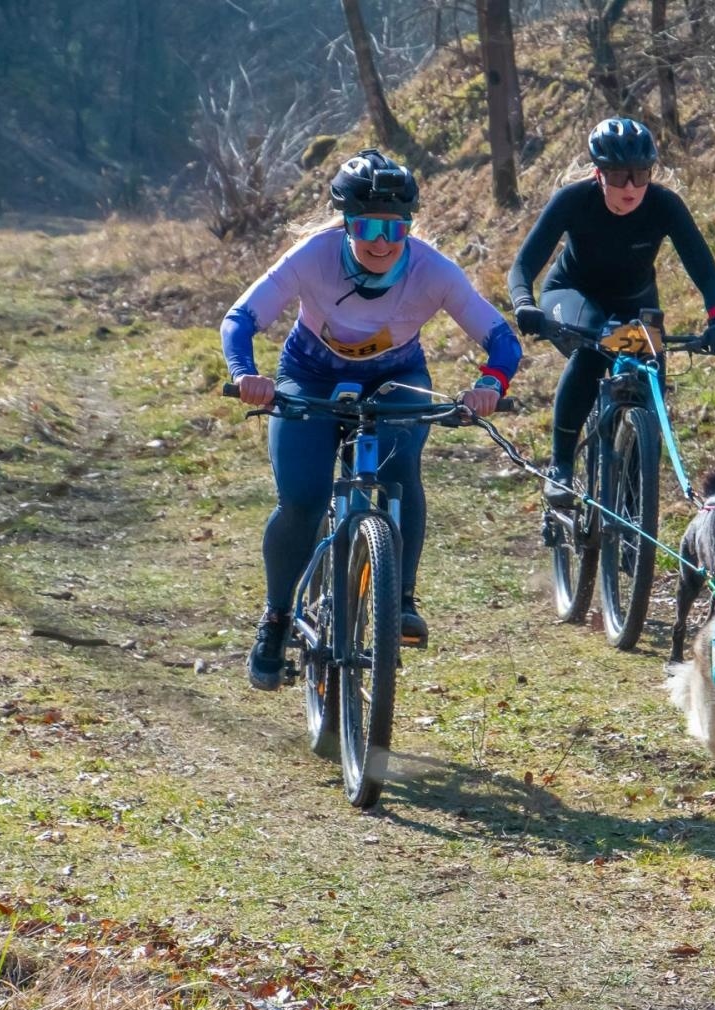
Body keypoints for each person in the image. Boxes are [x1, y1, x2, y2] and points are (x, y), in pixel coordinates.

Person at [222, 148, 522, 691]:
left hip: (396, 379)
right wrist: (245, 374)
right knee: (303, 500)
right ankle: (276, 618)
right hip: (309, 376)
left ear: (409, 226)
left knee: (399, 472)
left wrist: (489, 385)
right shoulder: (312, 257)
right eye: (367, 227)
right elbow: (240, 319)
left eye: (395, 228)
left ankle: (400, 598)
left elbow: (501, 340)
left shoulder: (433, 271)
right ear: (346, 224)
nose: (382, 242)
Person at [507, 117, 715, 506]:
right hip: (573, 294)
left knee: (649, 384)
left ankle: (634, 509)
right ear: (599, 174)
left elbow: (706, 272)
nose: (630, 187)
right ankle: (561, 466)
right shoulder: (573, 200)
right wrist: (524, 303)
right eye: (618, 176)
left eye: (640, 175)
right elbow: (523, 266)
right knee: (593, 350)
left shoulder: (665, 205)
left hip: (635, 300)